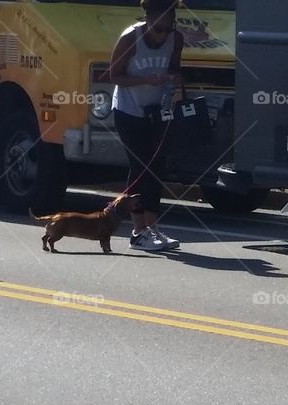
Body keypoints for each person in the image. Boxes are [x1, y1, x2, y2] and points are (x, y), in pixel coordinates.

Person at [110, 0, 184, 252]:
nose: (163, 33)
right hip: (128, 110)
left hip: (157, 112)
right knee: (140, 166)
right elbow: (114, 75)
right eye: (158, 28)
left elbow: (175, 69)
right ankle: (137, 230)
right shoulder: (131, 38)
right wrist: (144, 79)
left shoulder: (176, 38)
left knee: (157, 167)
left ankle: (152, 229)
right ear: (147, 21)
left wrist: (174, 82)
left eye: (168, 28)